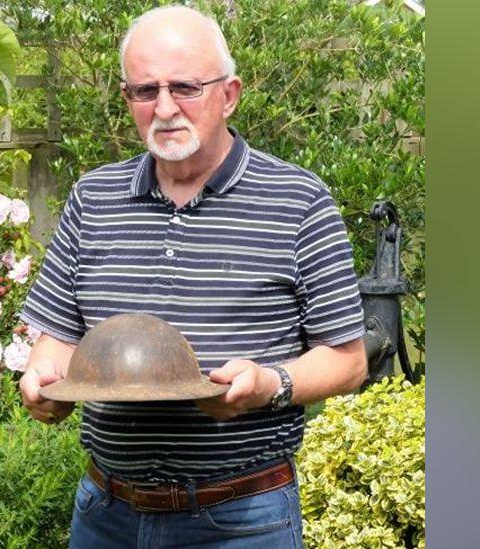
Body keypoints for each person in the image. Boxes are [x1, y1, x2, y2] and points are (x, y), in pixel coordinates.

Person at [18, 5, 367, 548]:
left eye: (184, 87)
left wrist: (268, 386)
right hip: (106, 512)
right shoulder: (94, 197)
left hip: (240, 518)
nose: (163, 108)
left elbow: (347, 362)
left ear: (229, 95)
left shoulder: (298, 201)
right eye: (143, 90)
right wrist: (44, 382)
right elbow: (58, 338)